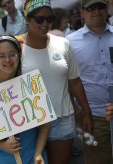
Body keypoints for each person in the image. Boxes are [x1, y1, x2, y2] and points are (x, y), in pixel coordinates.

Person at [21, 0, 93, 163]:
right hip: (28, 121)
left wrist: (87, 113)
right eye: (39, 19)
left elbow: (75, 81)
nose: (45, 23)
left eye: (50, 18)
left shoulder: (63, 43)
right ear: (27, 19)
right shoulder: (16, 46)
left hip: (62, 119)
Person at [0, 35, 50, 164]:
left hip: (33, 159)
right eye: (1, 55)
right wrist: (3, 145)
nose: (7, 60)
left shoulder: (31, 85)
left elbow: (45, 125)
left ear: (19, 55)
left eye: (12, 54)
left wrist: (38, 153)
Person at [66, 0, 113, 163]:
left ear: (107, 9)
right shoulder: (69, 42)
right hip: (92, 118)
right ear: (82, 12)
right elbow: (68, 80)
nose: (96, 11)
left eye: (100, 7)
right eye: (90, 8)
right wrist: (78, 112)